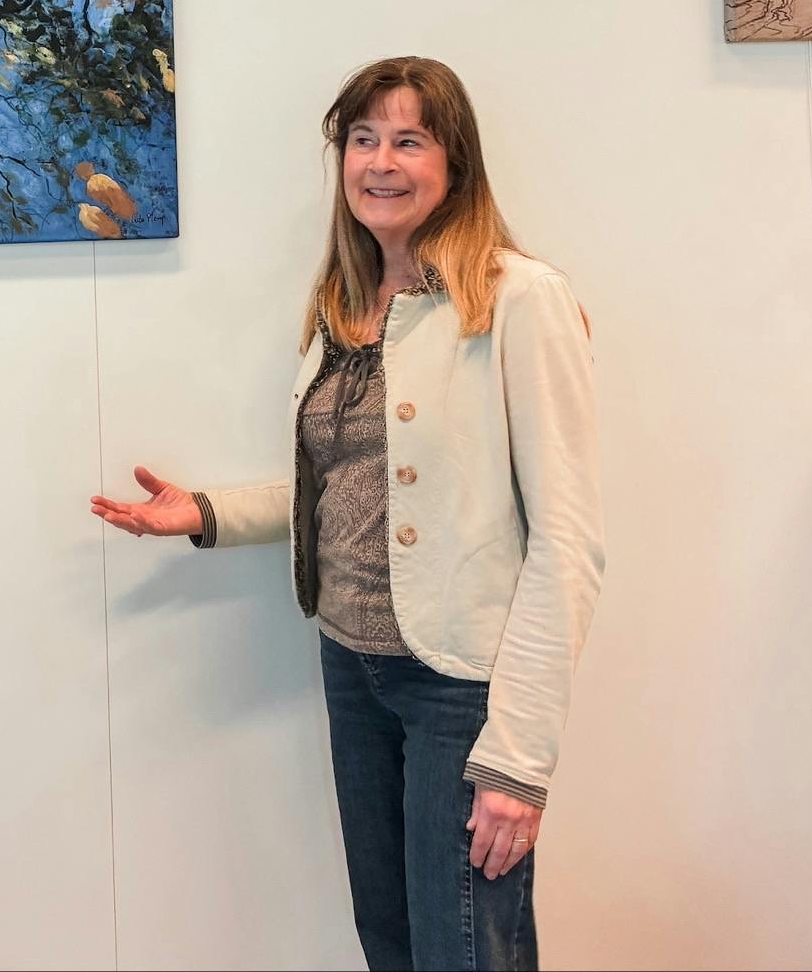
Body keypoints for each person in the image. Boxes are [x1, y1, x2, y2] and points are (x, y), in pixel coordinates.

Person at [91, 56, 603, 972]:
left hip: (456, 685)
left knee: (466, 954)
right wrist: (204, 512)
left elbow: (568, 541)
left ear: (456, 161)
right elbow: (356, 488)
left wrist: (520, 758)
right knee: (394, 948)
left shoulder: (519, 298)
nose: (380, 161)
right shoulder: (343, 309)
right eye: (363, 139)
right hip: (352, 669)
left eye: (408, 139)